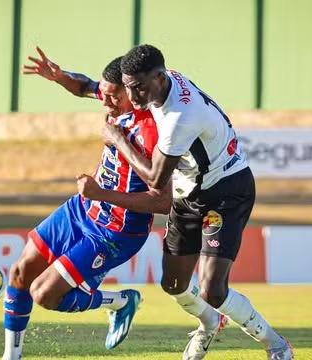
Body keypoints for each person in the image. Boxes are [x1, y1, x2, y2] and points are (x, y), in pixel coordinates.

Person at [101, 44, 294, 360]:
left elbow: (155, 180)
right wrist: (67, 80)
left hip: (226, 190)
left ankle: (275, 345)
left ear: (160, 78)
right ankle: (209, 324)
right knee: (173, 284)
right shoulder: (161, 84)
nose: (133, 97)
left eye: (138, 88)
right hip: (188, 193)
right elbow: (105, 90)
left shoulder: (180, 117)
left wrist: (117, 138)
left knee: (213, 290)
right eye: (128, 87)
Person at [1, 51, 172, 360]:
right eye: (103, 96)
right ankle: (11, 357)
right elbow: (84, 87)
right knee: (20, 273)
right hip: (82, 209)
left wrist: (102, 189)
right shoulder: (113, 97)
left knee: (45, 295)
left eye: (111, 97)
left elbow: (163, 201)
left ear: (132, 92)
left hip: (117, 230)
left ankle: (119, 301)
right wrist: (60, 76)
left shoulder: (152, 129)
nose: (104, 103)